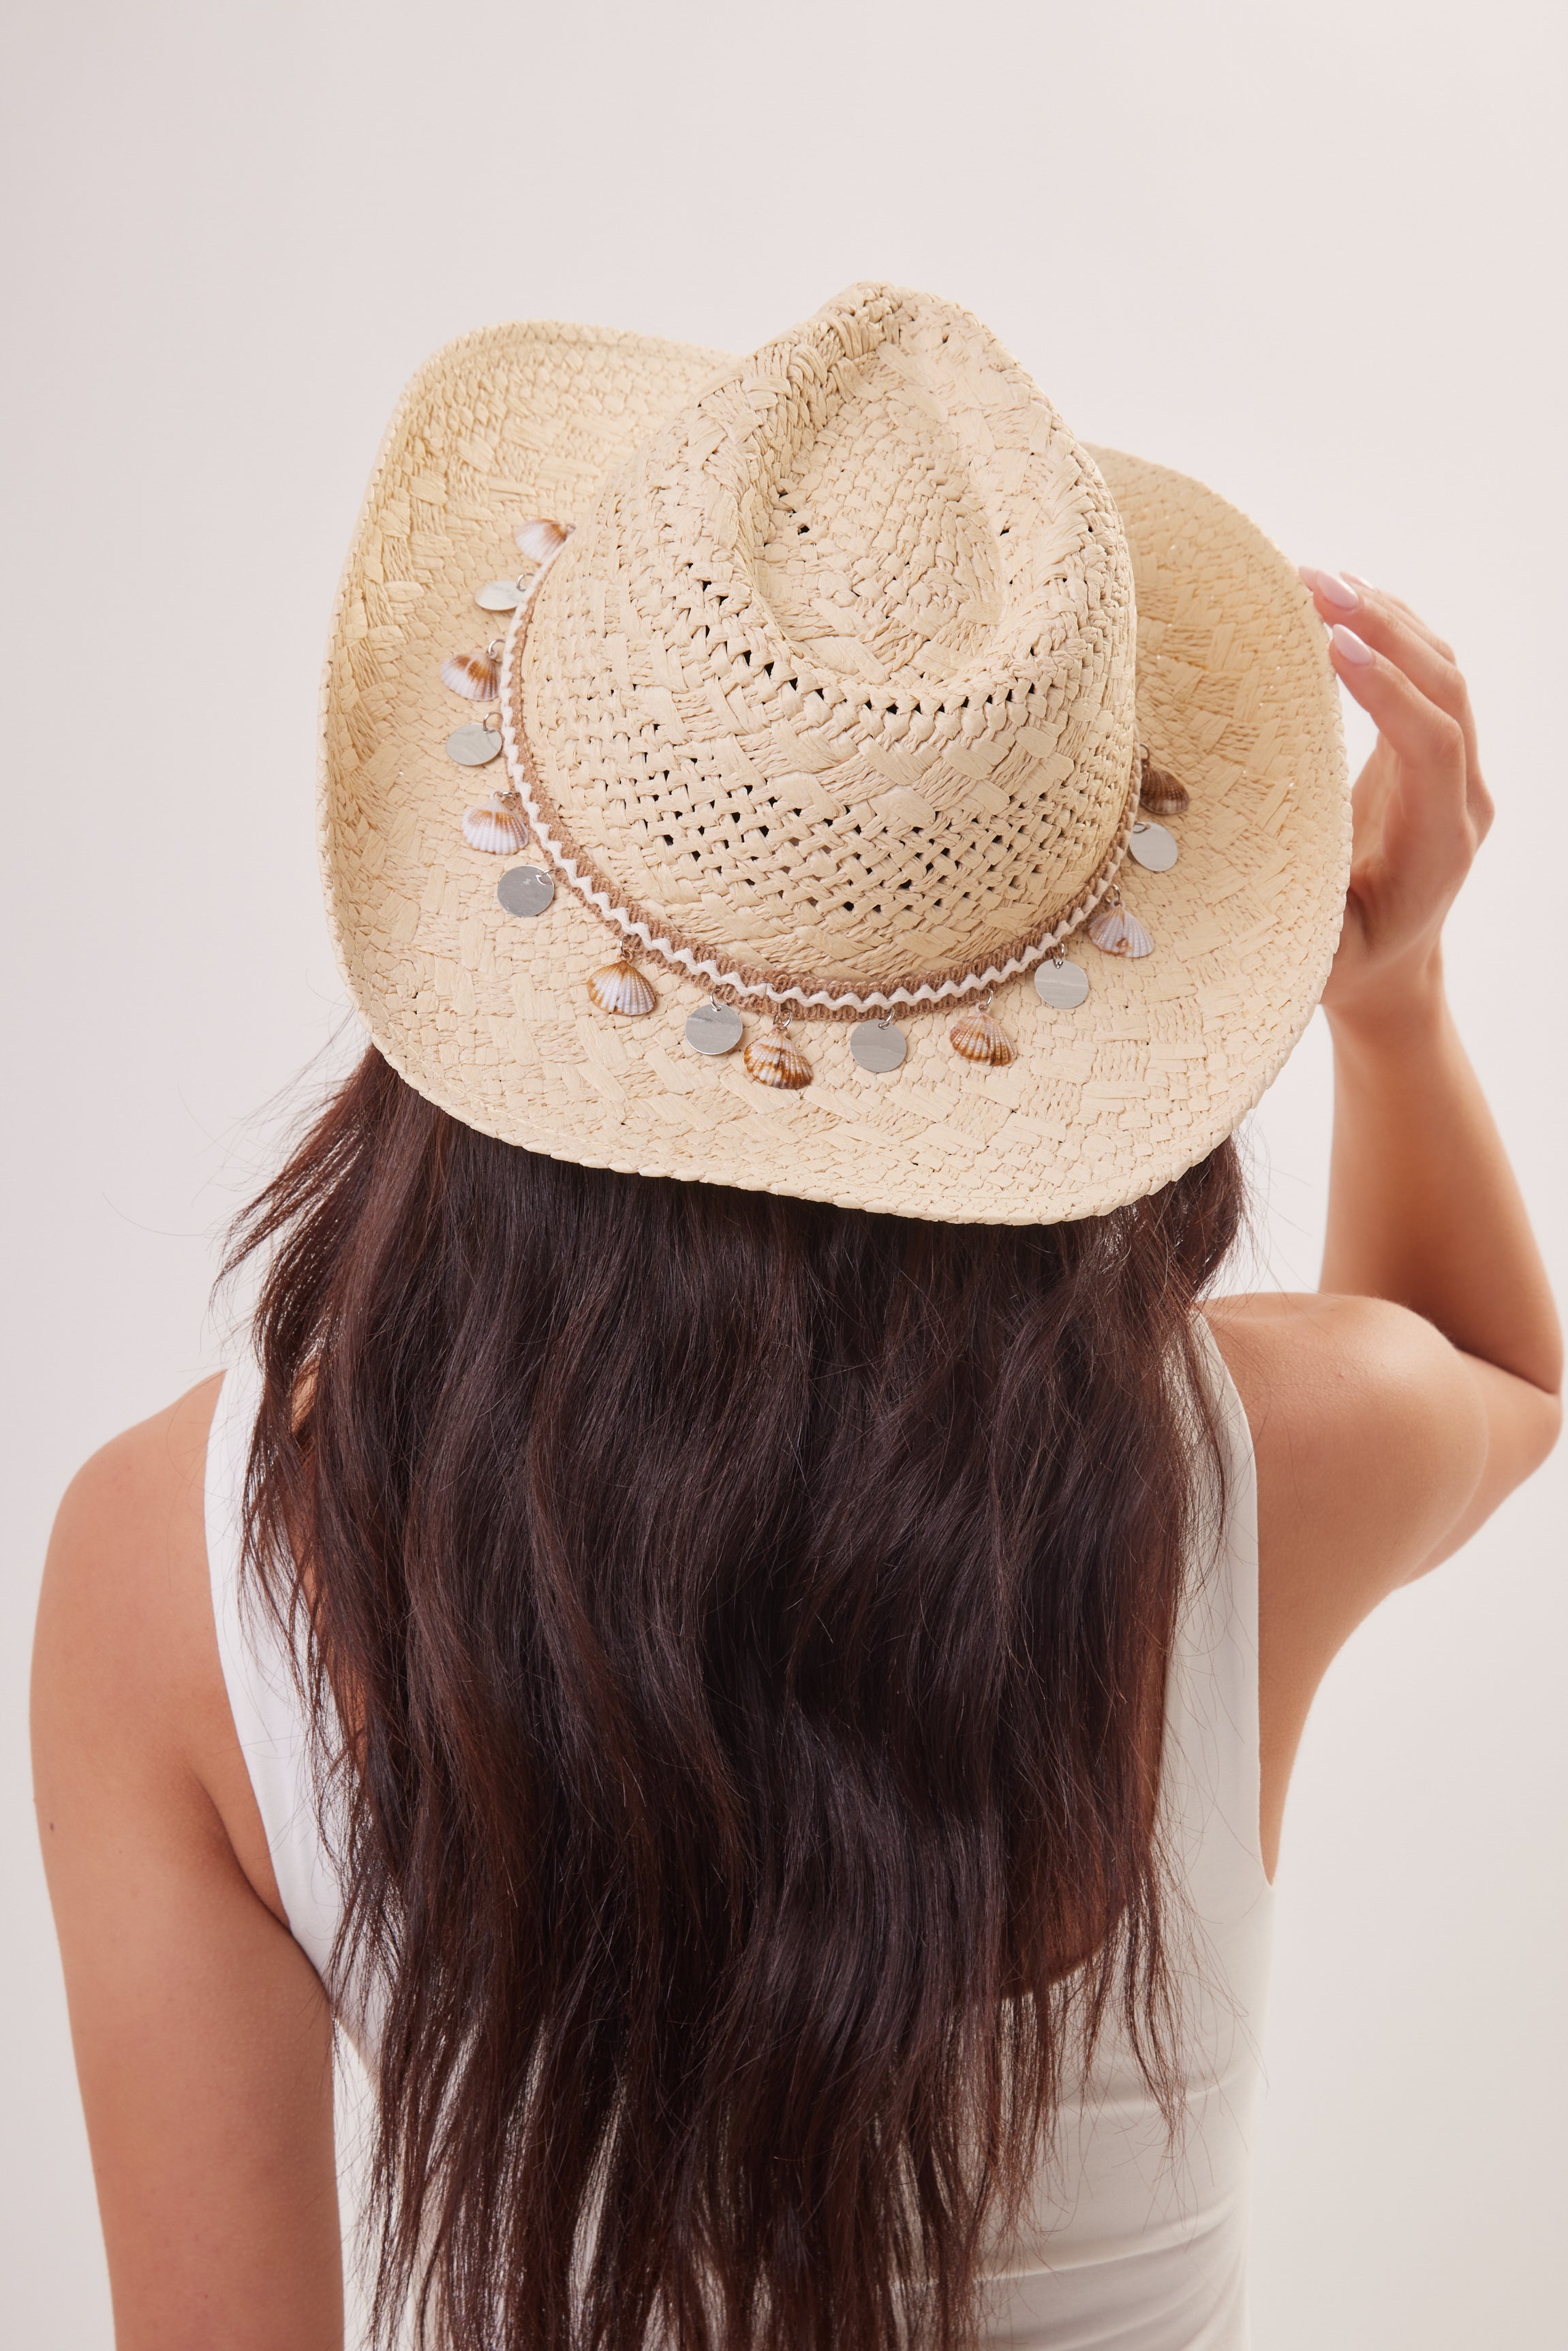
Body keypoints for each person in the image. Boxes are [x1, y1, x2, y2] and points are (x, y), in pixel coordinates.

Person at [33, 286, 1559, 2351]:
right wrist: (1392, 1004)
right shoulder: (1260, 1469)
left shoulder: (176, 1567)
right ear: (1072, 1052)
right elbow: (1501, 1373)